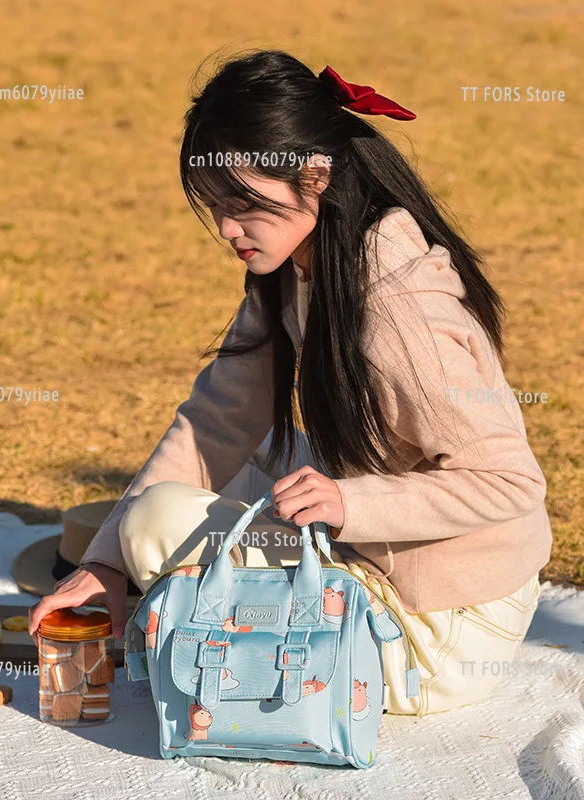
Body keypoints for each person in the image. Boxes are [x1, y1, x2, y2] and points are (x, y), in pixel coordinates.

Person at [29, 49, 551, 716]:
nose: (225, 228)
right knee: (210, 476)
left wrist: (349, 503)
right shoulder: (298, 266)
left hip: (439, 625)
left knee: (160, 520)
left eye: (241, 203)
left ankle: (223, 631)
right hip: (382, 550)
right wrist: (105, 565)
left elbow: (511, 482)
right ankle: (196, 606)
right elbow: (217, 421)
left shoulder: (398, 315)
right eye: (214, 205)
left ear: (315, 176)